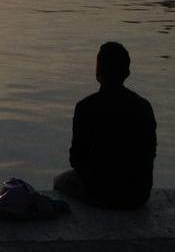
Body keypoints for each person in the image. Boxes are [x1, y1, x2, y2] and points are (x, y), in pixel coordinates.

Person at [54, 41, 157, 209]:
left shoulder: (85, 107)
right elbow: (150, 153)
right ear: (127, 72)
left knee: (60, 181)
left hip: (101, 194)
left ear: (98, 72)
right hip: (138, 195)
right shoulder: (143, 107)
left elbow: (76, 159)